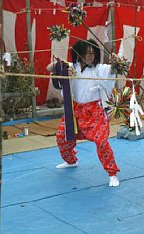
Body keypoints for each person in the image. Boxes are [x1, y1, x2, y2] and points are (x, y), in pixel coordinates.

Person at [46, 39, 120, 187]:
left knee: (101, 141)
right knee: (62, 136)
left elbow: (113, 70)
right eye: (87, 53)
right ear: (79, 54)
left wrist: (116, 62)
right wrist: (60, 64)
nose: (90, 57)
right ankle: (71, 161)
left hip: (95, 112)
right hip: (75, 111)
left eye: (93, 53)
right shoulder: (72, 67)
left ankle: (112, 174)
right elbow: (49, 68)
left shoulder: (100, 69)